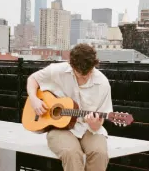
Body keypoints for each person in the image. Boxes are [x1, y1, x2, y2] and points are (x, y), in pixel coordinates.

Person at [27, 43, 113, 171]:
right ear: (71, 65)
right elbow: (33, 79)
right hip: (59, 128)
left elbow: (98, 123)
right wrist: (34, 99)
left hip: (87, 128)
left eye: (89, 72)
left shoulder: (103, 83)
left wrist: (94, 124)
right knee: (72, 153)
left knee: (100, 153)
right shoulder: (57, 70)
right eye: (80, 74)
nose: (85, 77)